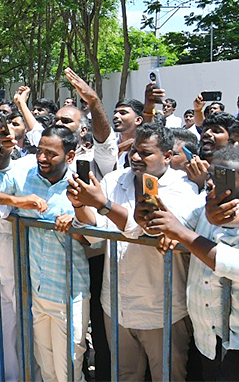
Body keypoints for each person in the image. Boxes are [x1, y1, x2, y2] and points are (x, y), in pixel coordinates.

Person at [146, 145, 239, 381]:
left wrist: (182, 235)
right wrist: (154, 220)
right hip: (210, 341)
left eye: (224, 179)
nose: (213, 186)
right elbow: (179, 224)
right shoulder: (205, 210)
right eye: (212, 177)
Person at [68, 122, 201, 381]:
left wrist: (104, 205)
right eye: (135, 151)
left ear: (168, 156)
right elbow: (93, 234)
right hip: (116, 306)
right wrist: (80, 205)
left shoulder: (184, 187)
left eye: (146, 153)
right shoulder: (114, 180)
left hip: (162, 310)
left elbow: (152, 229)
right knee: (125, 376)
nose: (137, 157)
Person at [0, 125, 92, 382]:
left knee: (68, 371)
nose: (43, 158)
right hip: (38, 294)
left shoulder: (80, 185)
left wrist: (76, 217)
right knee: (46, 369)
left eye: (51, 154)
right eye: (40, 151)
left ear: (70, 156)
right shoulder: (25, 177)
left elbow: (95, 236)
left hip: (69, 294)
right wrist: (17, 201)